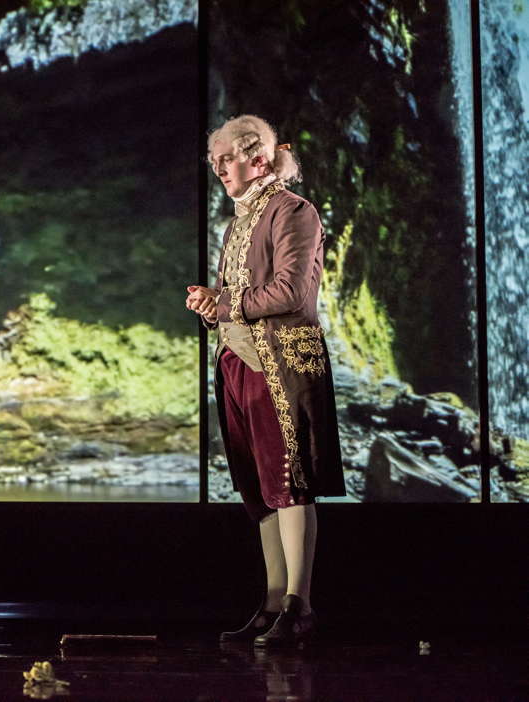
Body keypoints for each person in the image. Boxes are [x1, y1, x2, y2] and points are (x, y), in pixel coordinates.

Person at [186, 115, 344, 648]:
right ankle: (274, 599)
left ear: (257, 158)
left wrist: (226, 302)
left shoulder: (293, 212)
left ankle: (299, 605)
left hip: (281, 360)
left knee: (289, 480)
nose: (218, 168)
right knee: (257, 487)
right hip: (239, 360)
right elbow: (241, 294)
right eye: (214, 160)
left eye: (225, 157)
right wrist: (214, 305)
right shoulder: (239, 221)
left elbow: (290, 293)